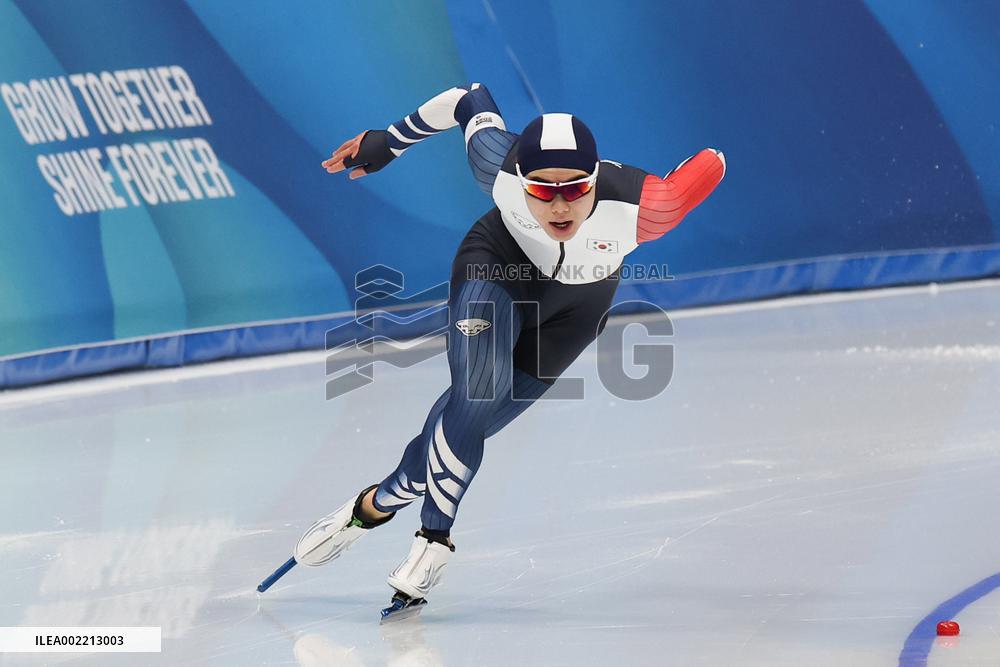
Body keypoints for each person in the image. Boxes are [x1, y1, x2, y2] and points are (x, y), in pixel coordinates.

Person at [298, 82, 725, 618]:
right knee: (476, 392)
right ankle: (433, 541)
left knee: (470, 419)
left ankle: (373, 506)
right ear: (519, 181)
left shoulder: (647, 208)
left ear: (595, 182)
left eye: (575, 188)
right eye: (542, 190)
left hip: (576, 310)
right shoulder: (494, 167)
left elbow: (712, 165)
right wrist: (390, 139)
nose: (561, 204)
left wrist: (711, 162)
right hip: (496, 267)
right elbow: (467, 97)